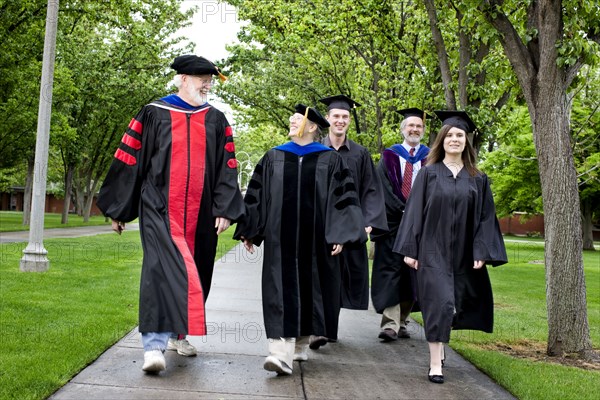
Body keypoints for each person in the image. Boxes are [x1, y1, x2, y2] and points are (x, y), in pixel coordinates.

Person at [96, 55, 244, 373]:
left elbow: (227, 169)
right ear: (182, 79)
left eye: (210, 79)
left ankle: (179, 334)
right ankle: (153, 346)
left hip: (202, 212)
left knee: (196, 271)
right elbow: (129, 159)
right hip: (159, 209)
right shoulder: (154, 113)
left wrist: (224, 209)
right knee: (160, 270)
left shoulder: (216, 120)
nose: (207, 84)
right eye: (202, 78)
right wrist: (119, 208)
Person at [234, 104, 366, 375]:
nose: (292, 121)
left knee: (311, 291)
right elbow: (258, 196)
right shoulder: (274, 157)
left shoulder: (331, 160)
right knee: (279, 292)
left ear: (313, 126)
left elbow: (344, 199)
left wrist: (340, 234)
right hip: (279, 242)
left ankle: (301, 344)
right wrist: (250, 229)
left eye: (298, 118)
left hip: (317, 242)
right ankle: (278, 352)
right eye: (292, 118)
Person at [393, 110, 507, 384]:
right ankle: (435, 364)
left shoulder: (478, 178)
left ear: (466, 141)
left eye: (459, 135)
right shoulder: (429, 174)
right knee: (439, 305)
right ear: (441, 140)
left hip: (464, 254)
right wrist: (410, 248)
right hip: (432, 251)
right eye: (449, 135)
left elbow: (485, 217)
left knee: (454, 306)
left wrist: (481, 250)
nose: (454, 140)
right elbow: (414, 212)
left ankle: (440, 344)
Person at [308, 95, 387, 350]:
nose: (340, 121)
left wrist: (367, 221)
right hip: (318, 226)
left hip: (349, 227)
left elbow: (370, 190)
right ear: (328, 119)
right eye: (336, 116)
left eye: (345, 117)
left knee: (338, 279)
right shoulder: (314, 149)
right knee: (317, 277)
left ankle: (328, 330)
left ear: (349, 121)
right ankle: (317, 329)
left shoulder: (360, 154)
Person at [370, 108, 430, 341]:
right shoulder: (389, 156)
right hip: (392, 224)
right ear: (403, 129)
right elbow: (380, 188)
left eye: (419, 126)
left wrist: (417, 211)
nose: (414, 129)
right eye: (411, 126)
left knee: (411, 274)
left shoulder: (431, 157)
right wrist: (404, 208)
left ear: (423, 131)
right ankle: (390, 324)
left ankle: (402, 320)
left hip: (420, 225)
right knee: (390, 271)